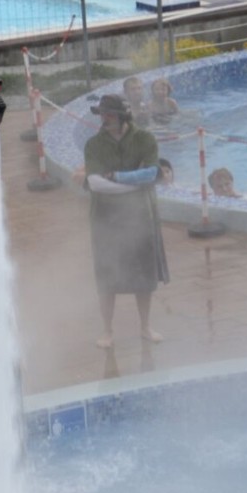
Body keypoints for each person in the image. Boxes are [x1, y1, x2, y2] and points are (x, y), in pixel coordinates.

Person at [84, 94, 169, 355]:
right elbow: (95, 183)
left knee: (144, 276)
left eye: (109, 114)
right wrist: (132, 184)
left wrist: (117, 178)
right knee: (107, 276)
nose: (104, 119)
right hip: (105, 219)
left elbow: (153, 174)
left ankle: (145, 326)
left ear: (122, 117)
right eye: (101, 114)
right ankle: (107, 330)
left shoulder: (145, 139)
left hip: (142, 216)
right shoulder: (94, 144)